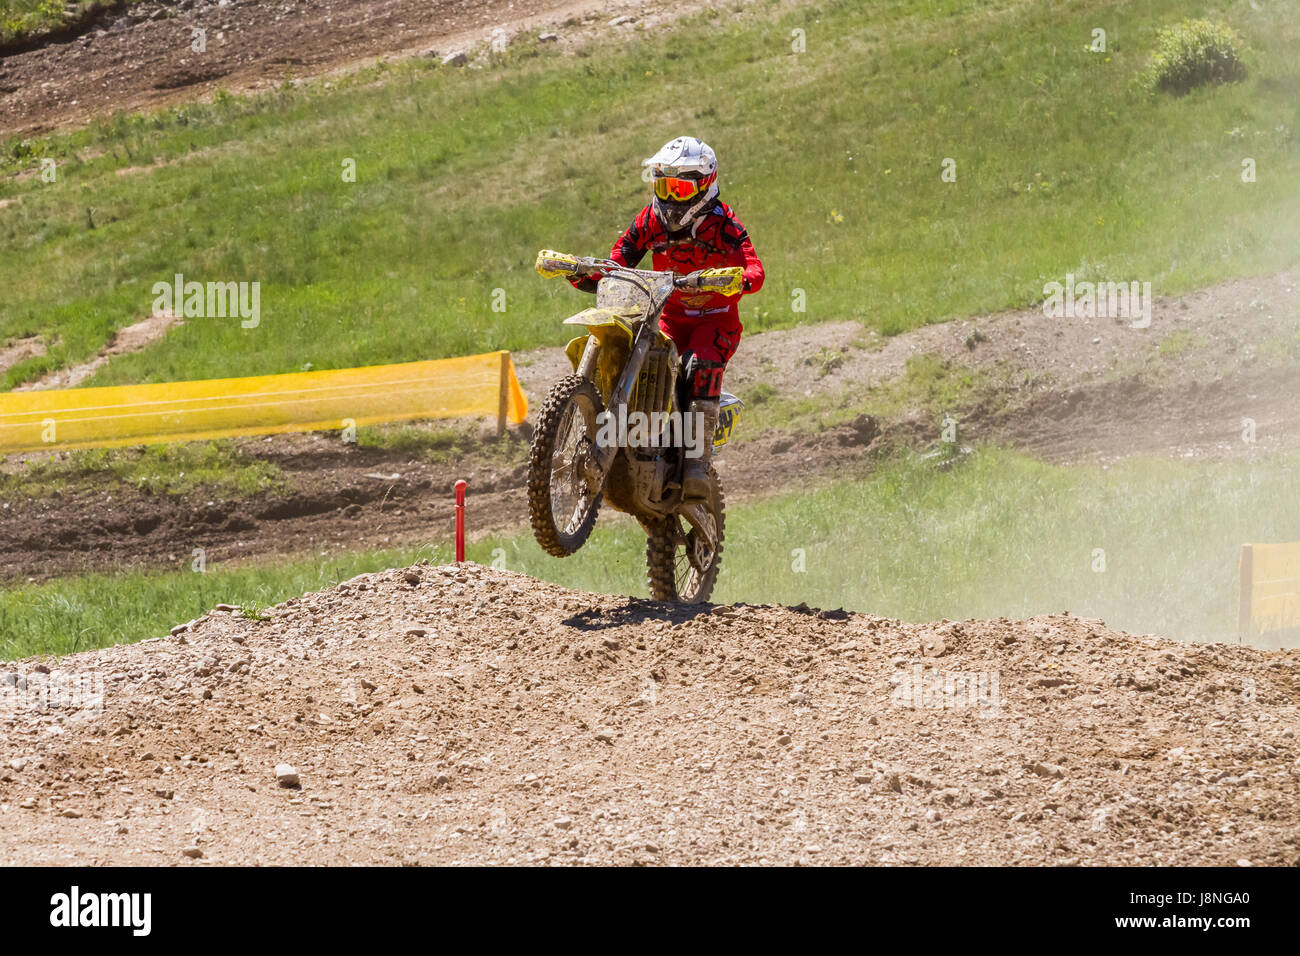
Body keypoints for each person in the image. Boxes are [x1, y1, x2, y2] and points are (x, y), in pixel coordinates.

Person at [570, 136, 765, 500]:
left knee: (698, 365)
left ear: (704, 185)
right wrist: (590, 275)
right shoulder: (650, 219)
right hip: (669, 319)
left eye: (678, 187)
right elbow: (620, 259)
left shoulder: (723, 223)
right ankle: (622, 440)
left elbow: (754, 266)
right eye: (663, 186)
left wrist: (739, 278)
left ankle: (696, 463)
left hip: (715, 321)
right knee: (640, 357)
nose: (670, 197)